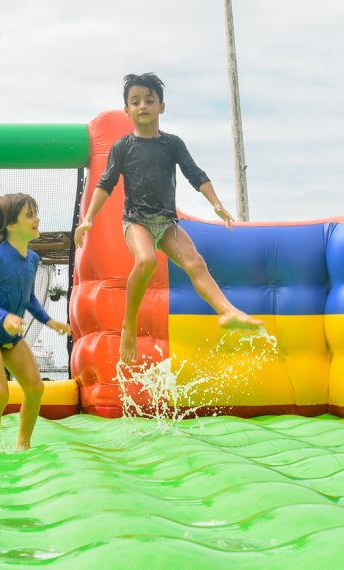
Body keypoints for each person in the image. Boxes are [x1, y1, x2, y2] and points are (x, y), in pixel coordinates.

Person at [74, 72, 261, 364]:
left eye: (149, 100)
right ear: (127, 110)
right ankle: (128, 325)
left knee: (195, 262)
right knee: (146, 260)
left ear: (162, 106)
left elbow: (195, 174)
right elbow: (105, 184)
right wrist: (87, 220)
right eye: (135, 102)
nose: (143, 106)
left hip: (166, 223)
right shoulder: (123, 147)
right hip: (135, 221)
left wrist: (216, 203)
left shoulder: (172, 144)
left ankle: (227, 312)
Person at [0, 190, 72, 452]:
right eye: (30, 215)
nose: (37, 219)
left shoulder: (33, 260)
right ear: (12, 225)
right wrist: (3, 317)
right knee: (0, 393)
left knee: (36, 388)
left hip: (12, 337)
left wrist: (49, 321)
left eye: (36, 213)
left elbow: (28, 298)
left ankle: (23, 443)